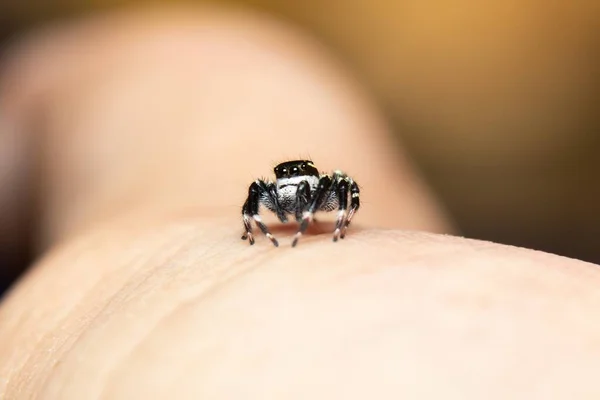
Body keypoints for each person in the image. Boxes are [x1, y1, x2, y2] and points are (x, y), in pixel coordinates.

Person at [0, 6, 599, 398]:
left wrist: (341, 229)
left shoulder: (322, 184)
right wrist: (257, 232)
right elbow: (254, 200)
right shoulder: (271, 189)